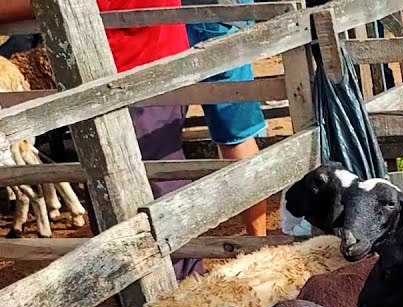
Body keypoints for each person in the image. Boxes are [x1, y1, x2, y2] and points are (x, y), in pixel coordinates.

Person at [0, 0, 203, 278]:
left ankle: (176, 289)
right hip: (133, 67)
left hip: (130, 72)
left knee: (145, 181)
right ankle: (152, 286)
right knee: (122, 182)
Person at [185, 0, 267, 237]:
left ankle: (256, 237)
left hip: (205, 16)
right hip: (218, 17)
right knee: (233, 131)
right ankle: (256, 236)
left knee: (234, 133)